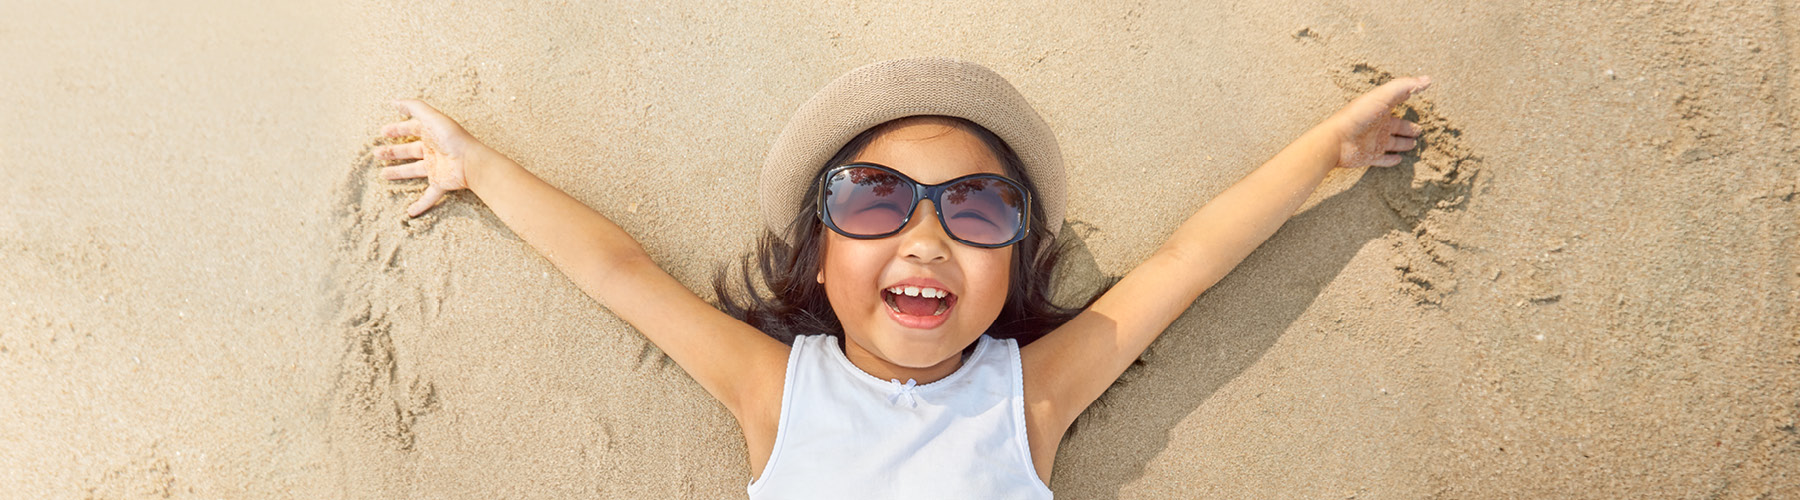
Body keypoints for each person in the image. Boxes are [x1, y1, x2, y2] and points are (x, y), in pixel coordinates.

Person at [370, 56, 1429, 498]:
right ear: (820, 253)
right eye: (878, 199)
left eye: (974, 208)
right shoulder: (783, 389)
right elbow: (622, 273)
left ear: (1010, 259)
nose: (926, 238)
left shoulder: (1029, 394)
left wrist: (1327, 154)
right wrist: (479, 168)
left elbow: (1184, 266)